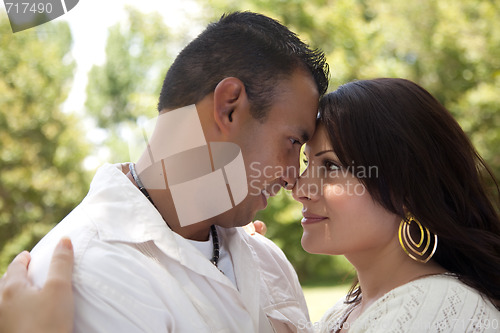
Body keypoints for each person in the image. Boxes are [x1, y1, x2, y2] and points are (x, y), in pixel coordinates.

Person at [8, 11, 329, 333]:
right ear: (229, 107)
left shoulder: (265, 259)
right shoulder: (90, 276)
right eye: (292, 142)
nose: (293, 176)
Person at [292, 78, 500, 332]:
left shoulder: (433, 310)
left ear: (407, 190)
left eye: (332, 166)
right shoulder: (345, 312)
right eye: (306, 164)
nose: (300, 190)